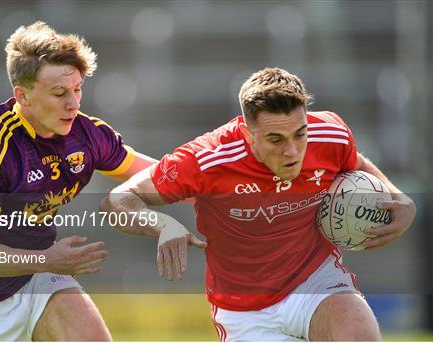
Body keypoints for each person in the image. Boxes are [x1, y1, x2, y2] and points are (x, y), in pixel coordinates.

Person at [100, 67, 416, 341]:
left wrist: (400, 199)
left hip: (314, 279)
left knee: (358, 333)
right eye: (276, 140)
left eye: (299, 134)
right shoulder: (207, 160)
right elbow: (117, 201)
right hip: (244, 309)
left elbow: (354, 163)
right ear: (248, 135)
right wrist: (162, 224)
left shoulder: (330, 133)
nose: (292, 151)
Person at [0, 21, 156, 341]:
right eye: (60, 92)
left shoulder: (85, 134)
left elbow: (159, 174)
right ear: (23, 95)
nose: (73, 103)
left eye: (77, 89)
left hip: (38, 276)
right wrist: (48, 258)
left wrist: (221, 182)